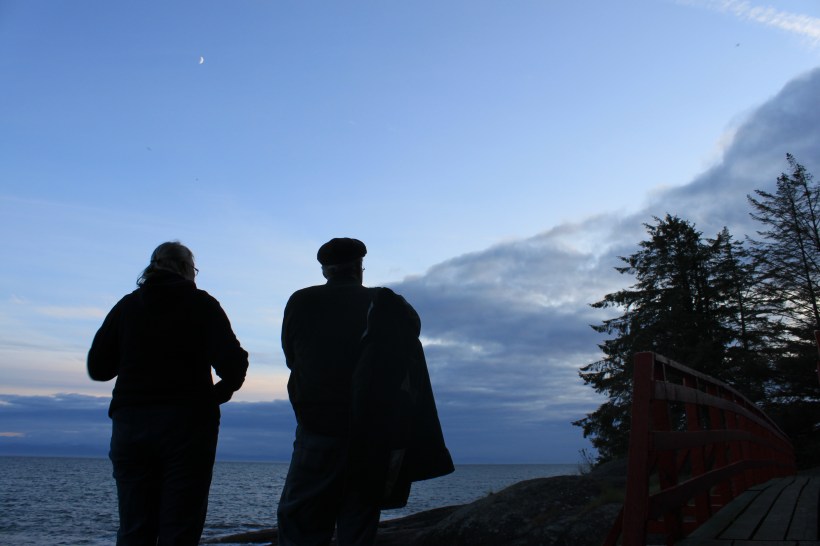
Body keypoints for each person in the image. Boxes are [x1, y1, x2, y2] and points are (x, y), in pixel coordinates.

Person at [278, 237, 453, 546]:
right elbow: (411, 337)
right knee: (359, 520)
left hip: (317, 429)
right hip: (372, 435)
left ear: (325, 271)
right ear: (359, 268)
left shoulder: (301, 301)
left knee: (302, 522)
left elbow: (292, 358)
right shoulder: (387, 304)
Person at [87, 241, 249, 546]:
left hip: (132, 423)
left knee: (134, 525)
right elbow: (233, 364)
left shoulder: (127, 306)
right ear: (188, 269)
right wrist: (216, 396)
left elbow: (98, 367)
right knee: (181, 526)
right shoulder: (202, 304)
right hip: (188, 426)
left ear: (152, 266)